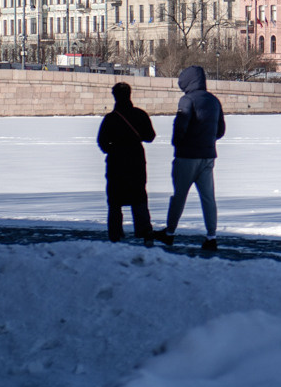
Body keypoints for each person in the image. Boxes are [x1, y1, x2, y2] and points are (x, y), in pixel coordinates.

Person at [161, 64, 225, 251]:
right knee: (208, 198)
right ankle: (211, 237)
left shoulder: (187, 100)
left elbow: (180, 127)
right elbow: (220, 130)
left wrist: (178, 144)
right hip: (208, 156)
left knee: (179, 196)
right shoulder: (214, 101)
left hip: (187, 157)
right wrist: (207, 140)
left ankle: (169, 233)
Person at [95, 81, 156, 244]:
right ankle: (144, 231)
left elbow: (102, 142)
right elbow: (150, 136)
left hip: (116, 162)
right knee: (139, 196)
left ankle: (115, 234)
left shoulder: (110, 118)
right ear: (130, 94)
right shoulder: (140, 114)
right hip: (136, 161)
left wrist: (113, 149)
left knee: (115, 200)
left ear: (114, 96)